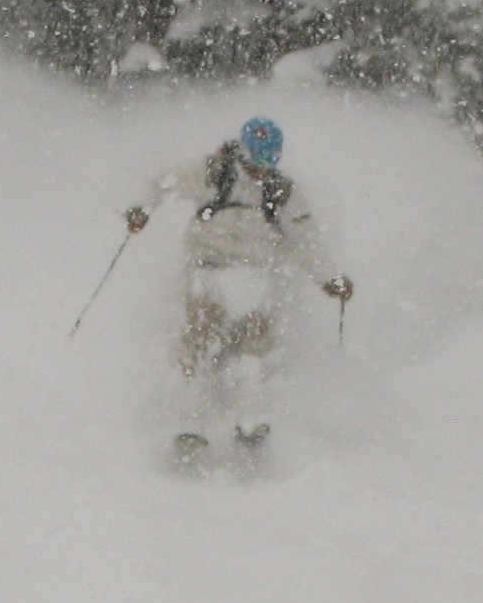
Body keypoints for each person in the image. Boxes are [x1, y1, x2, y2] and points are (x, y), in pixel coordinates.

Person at [127, 117, 352, 446]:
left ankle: (249, 415)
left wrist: (329, 278)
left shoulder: (282, 191)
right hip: (208, 267)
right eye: (257, 160)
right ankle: (190, 417)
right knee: (202, 334)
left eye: (270, 161)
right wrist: (141, 209)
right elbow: (163, 182)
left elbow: (305, 240)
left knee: (255, 340)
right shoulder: (213, 173)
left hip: (254, 275)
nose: (263, 169)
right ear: (243, 153)